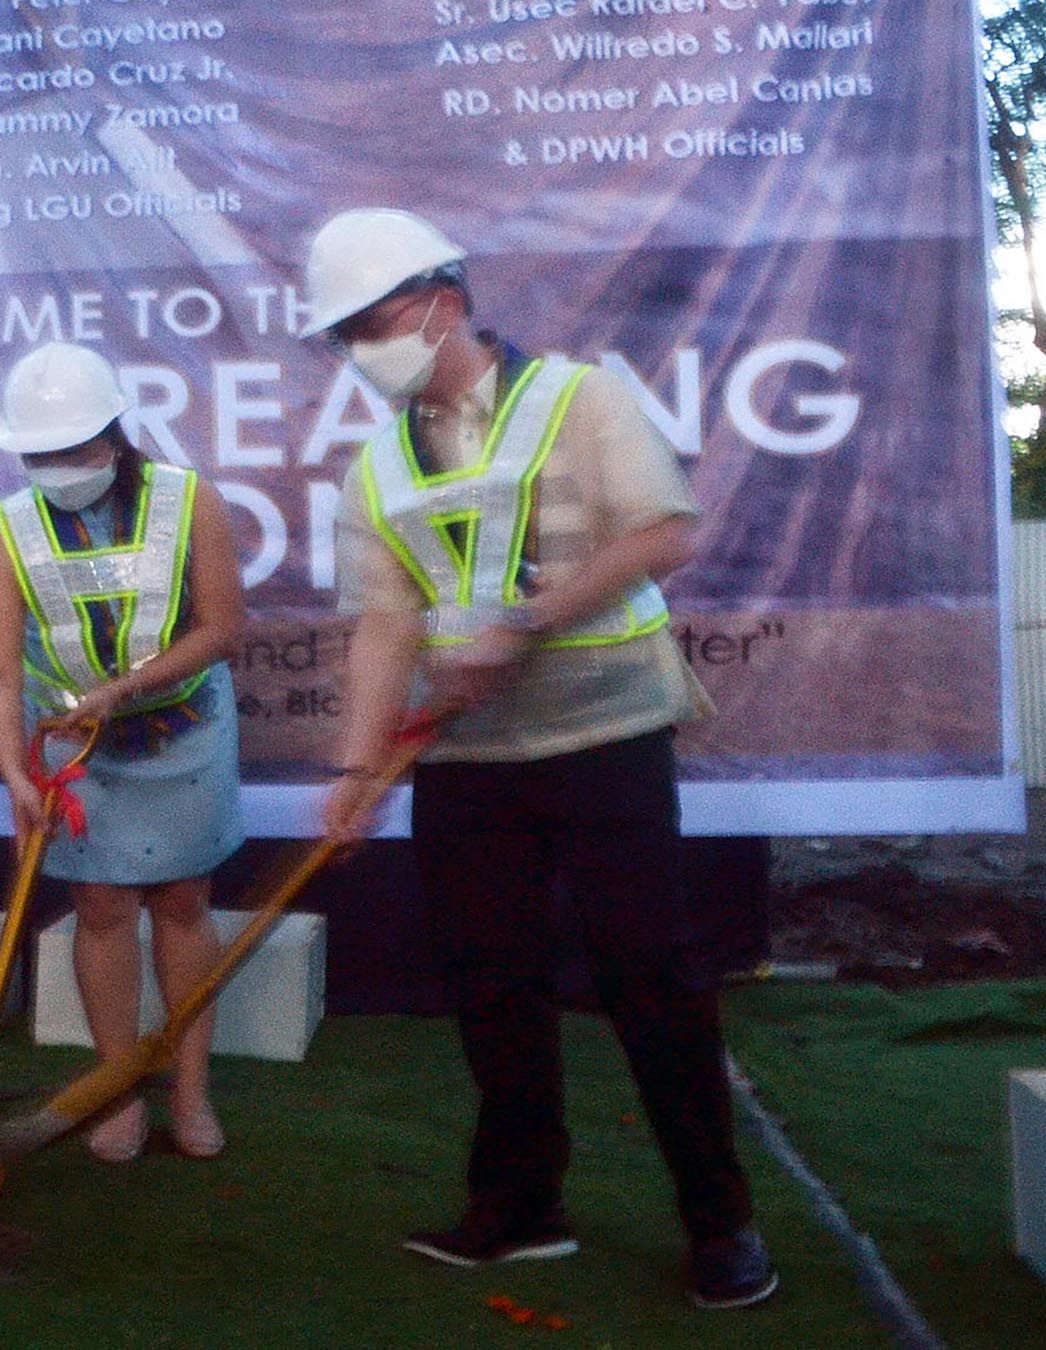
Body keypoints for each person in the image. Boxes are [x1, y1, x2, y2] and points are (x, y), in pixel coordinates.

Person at [303, 207, 776, 1309]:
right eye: (343, 336)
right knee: (489, 984)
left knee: (648, 975)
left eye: (372, 324)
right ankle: (520, 1210)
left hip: (605, 740)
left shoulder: (581, 397)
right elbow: (384, 629)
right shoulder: (377, 468)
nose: (360, 351)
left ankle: (722, 1223)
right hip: (469, 760)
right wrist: (351, 770)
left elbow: (665, 531)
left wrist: (526, 621)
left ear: (444, 303)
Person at [0, 342, 247, 1161]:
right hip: (78, 752)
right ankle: (117, 1087)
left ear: (116, 435)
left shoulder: (189, 500)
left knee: (183, 902)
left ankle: (191, 1090)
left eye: (76, 450)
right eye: (40, 454)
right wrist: (14, 775)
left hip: (183, 727)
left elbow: (224, 628)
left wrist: (127, 690)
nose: (59, 467)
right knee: (101, 907)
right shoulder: (6, 534)